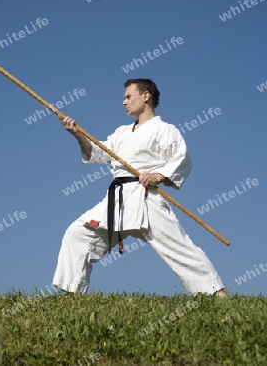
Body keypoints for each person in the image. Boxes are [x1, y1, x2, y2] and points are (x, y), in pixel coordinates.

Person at [52, 78, 228, 297]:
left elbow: (181, 160)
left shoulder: (165, 130)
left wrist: (157, 176)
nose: (124, 102)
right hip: (117, 199)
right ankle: (73, 295)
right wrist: (77, 134)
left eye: (128, 97)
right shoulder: (121, 133)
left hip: (146, 199)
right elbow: (97, 153)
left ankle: (217, 294)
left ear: (146, 96)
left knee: (180, 250)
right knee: (78, 233)